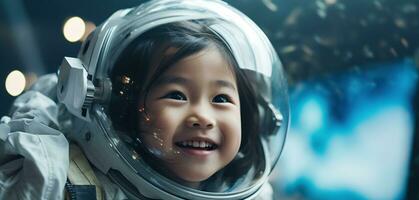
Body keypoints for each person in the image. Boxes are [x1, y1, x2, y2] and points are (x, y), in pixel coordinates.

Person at [0, 0, 289, 199]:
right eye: (177, 95)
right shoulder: (63, 184)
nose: (202, 116)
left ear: (253, 117)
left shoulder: (254, 195)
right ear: (121, 107)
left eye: (221, 98)